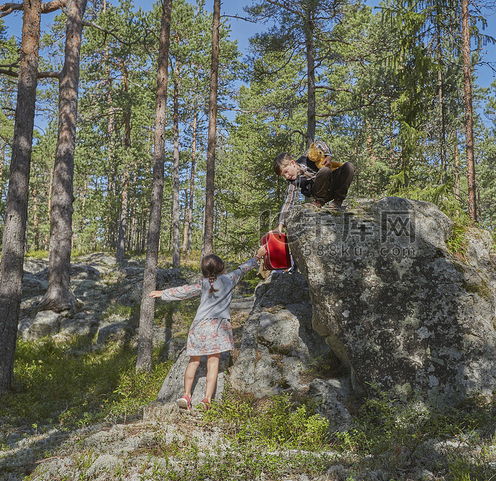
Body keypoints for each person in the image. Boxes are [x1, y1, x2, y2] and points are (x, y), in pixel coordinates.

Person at [149, 245, 267, 411]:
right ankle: (206, 400)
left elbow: (184, 291)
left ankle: (186, 395)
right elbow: (244, 268)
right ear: (221, 268)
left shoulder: (202, 284)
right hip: (219, 327)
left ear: (204, 271)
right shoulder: (230, 279)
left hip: (200, 326)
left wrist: (162, 293)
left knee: (193, 362)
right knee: (213, 364)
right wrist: (257, 257)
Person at [272, 139, 355, 233]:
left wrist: (328, 155)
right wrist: (280, 224)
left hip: (332, 186)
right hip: (319, 192)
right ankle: (319, 202)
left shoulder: (306, 158)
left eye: (286, 171)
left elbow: (318, 143)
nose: (287, 176)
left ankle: (337, 201)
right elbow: (288, 202)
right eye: (284, 175)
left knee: (349, 166)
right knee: (325, 171)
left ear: (292, 163)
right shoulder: (293, 182)